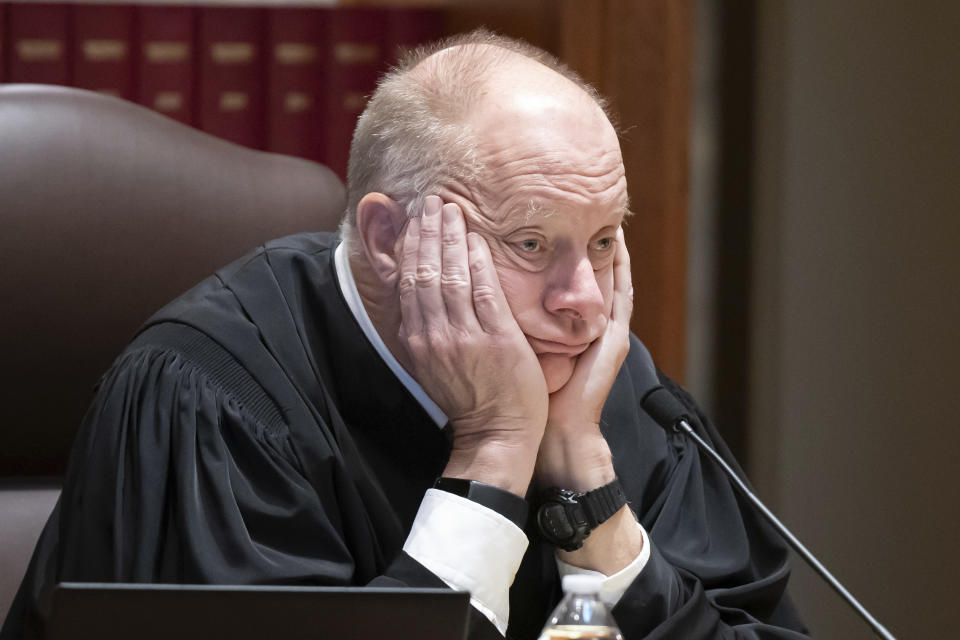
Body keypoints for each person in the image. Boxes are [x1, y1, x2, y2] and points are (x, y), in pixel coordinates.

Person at [3, 31, 807, 640]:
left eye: (603, 241)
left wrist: (592, 501)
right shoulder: (211, 398)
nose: (585, 303)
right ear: (388, 240)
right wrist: (494, 454)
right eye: (530, 243)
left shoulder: (611, 387)